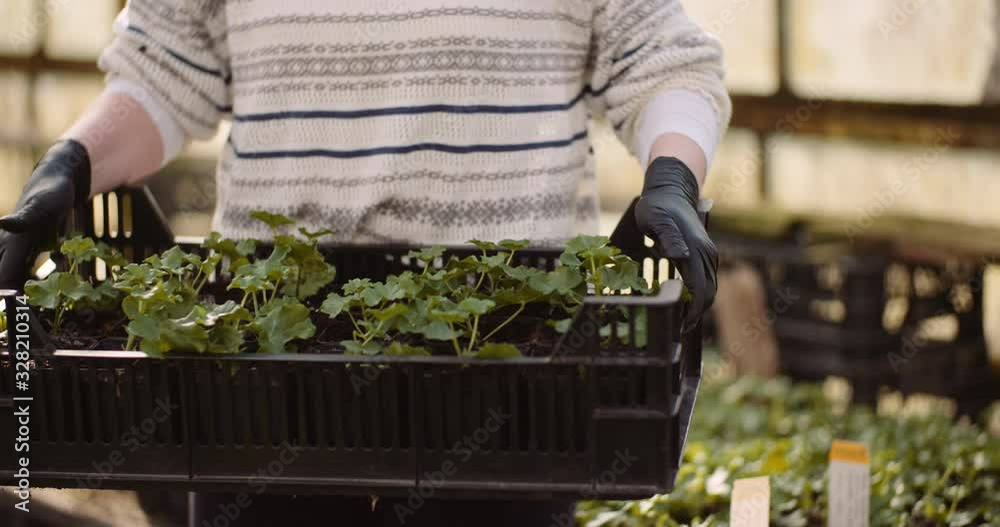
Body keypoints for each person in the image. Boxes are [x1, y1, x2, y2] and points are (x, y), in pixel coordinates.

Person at [0, 1, 729, 525]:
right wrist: (72, 162)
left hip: (511, 381)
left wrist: (673, 178)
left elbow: (667, 62)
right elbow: (162, 72)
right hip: (258, 388)